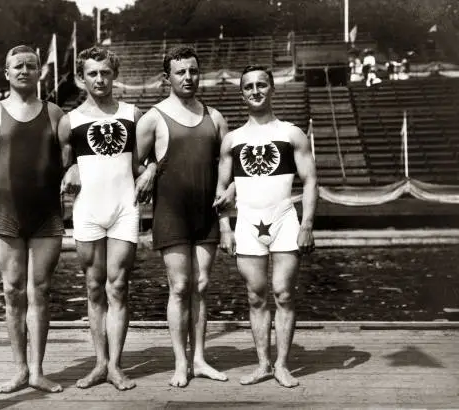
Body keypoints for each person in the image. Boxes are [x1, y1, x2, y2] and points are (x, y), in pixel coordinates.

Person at [0, 45, 71, 394]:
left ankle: (39, 370)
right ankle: (19, 370)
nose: (25, 70)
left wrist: (58, 176)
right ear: (6, 72)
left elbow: (67, 162)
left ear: (40, 71)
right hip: (7, 214)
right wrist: (7, 179)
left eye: (31, 65)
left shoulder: (56, 114)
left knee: (39, 290)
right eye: (18, 66)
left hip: (46, 215)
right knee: (13, 291)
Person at [213, 65, 318, 388]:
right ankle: (263, 364)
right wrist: (225, 228)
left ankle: (283, 365)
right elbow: (221, 189)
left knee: (284, 293)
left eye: (261, 85)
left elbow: (311, 180)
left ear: (272, 89)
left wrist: (307, 225)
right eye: (249, 86)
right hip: (247, 222)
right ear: (241, 93)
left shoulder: (291, 133)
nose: (255, 91)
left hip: (285, 219)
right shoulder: (233, 139)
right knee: (256, 296)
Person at [57, 46, 155, 391]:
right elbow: (62, 165)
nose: (100, 79)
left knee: (118, 287)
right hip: (88, 211)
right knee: (94, 287)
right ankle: (99, 363)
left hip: (123, 208)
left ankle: (115, 365)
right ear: (81, 79)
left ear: (115, 75)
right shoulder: (70, 121)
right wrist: (69, 170)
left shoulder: (133, 113)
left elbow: (149, 158)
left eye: (105, 73)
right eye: (92, 73)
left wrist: (152, 170)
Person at [135, 46, 232, 388]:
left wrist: (228, 197)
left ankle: (200, 359)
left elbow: (226, 164)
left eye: (193, 71)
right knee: (179, 286)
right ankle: (180, 362)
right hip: (172, 212)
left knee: (202, 286)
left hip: (206, 212)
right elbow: (132, 161)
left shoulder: (215, 117)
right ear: (167, 78)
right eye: (181, 72)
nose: (188, 78)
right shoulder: (153, 118)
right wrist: (147, 168)